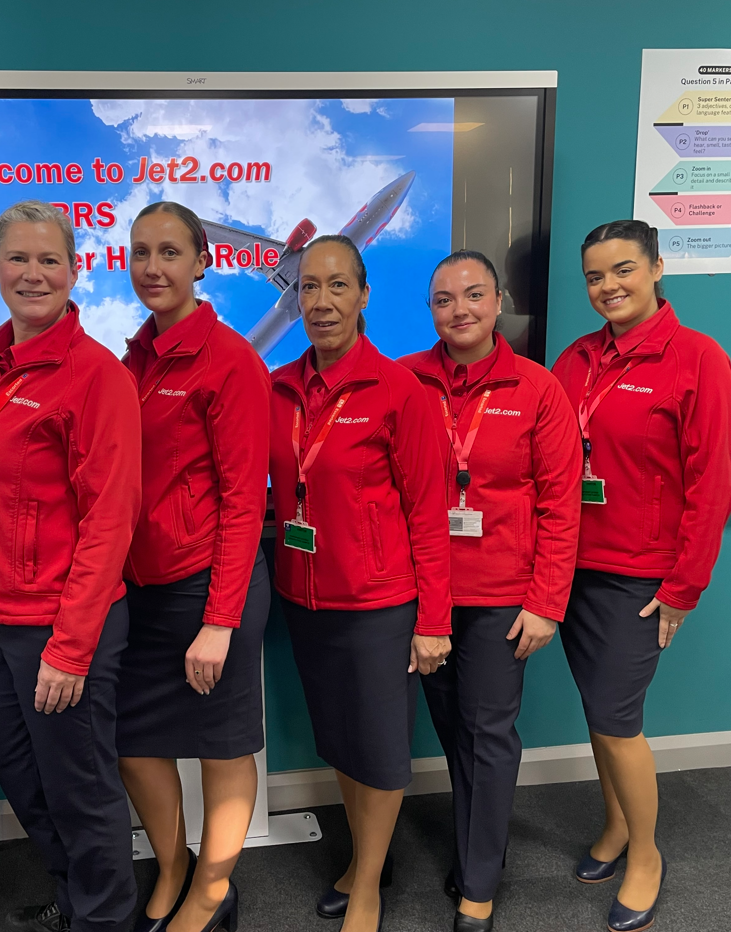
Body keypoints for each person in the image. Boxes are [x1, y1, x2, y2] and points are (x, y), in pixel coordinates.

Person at [0, 200, 141, 932]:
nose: (34, 273)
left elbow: (109, 521)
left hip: (60, 625)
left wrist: (71, 643)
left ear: (73, 269)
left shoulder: (96, 377)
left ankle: (105, 919)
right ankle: (75, 902)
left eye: (49, 259)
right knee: (27, 783)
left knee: (80, 790)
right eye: (18, 259)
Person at [551, 220, 731, 932]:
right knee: (599, 716)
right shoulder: (575, 359)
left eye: (622, 270)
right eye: (594, 276)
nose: (608, 287)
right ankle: (615, 826)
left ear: (657, 267)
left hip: (640, 579)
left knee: (616, 719)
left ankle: (646, 855)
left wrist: (681, 589)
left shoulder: (696, 359)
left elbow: (709, 484)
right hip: (572, 570)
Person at [268, 234, 452, 932]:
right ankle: (362, 861)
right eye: (308, 287)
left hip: (378, 605)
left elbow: (428, 516)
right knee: (341, 742)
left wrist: (433, 620)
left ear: (364, 293)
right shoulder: (279, 387)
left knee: (377, 749)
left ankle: (368, 884)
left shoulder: (398, 391)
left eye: (336, 285)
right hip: (306, 599)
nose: (320, 301)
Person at [400, 250, 582, 932]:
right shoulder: (403, 380)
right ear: (430, 311)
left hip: (503, 596)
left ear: (498, 300)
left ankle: (478, 879)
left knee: (487, 734)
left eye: (472, 295)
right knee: (455, 733)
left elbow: (562, 504)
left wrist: (545, 602)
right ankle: (482, 846)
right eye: (443, 299)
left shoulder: (536, 389)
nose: (459, 310)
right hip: (422, 591)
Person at [117, 201, 272, 932]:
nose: (153, 267)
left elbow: (245, 499)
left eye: (170, 252)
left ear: (202, 262)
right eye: (140, 252)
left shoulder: (230, 360)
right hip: (138, 589)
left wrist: (219, 620)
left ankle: (212, 888)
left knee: (220, 743)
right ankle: (172, 865)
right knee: (135, 740)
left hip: (210, 586)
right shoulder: (130, 360)